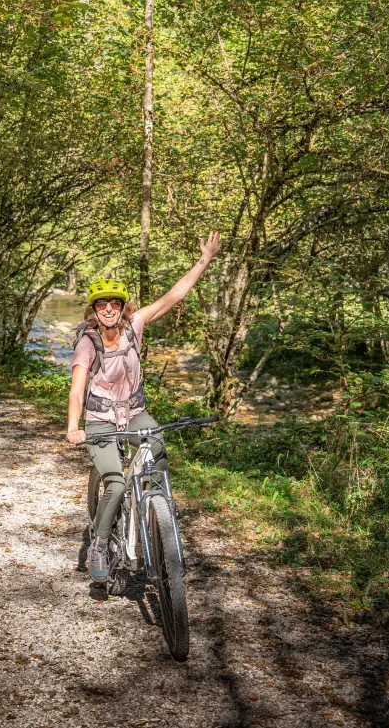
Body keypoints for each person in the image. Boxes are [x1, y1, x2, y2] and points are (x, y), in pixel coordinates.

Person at [67, 231, 222, 582]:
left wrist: (205, 258)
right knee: (116, 485)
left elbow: (173, 297)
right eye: (102, 304)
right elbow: (76, 391)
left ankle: (155, 508)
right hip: (101, 420)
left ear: (123, 307)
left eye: (115, 303)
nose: (109, 308)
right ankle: (100, 543)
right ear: (94, 310)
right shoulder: (88, 343)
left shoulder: (135, 326)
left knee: (158, 449)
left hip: (135, 413)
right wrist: (74, 427)